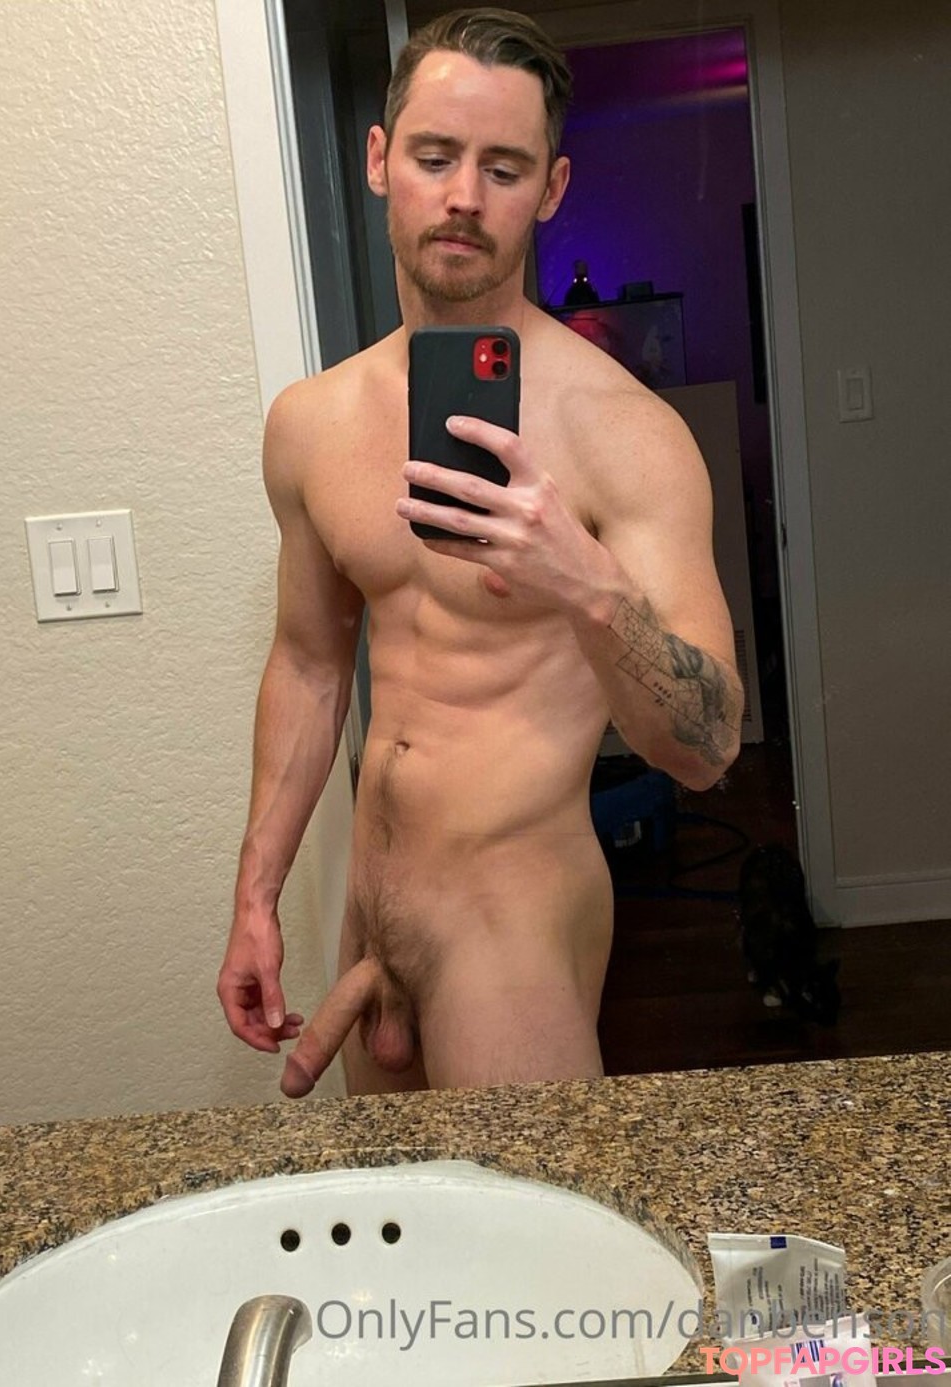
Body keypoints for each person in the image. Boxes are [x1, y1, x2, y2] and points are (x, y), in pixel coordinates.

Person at [217, 7, 742, 1097]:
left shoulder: (626, 433)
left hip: (512, 929)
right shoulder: (312, 423)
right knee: (394, 1213)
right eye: (434, 157)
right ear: (379, 160)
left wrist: (585, 583)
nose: (464, 196)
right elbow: (310, 666)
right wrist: (256, 895)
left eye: (504, 168)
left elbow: (710, 747)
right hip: (371, 922)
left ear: (550, 189)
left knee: (530, 1214)